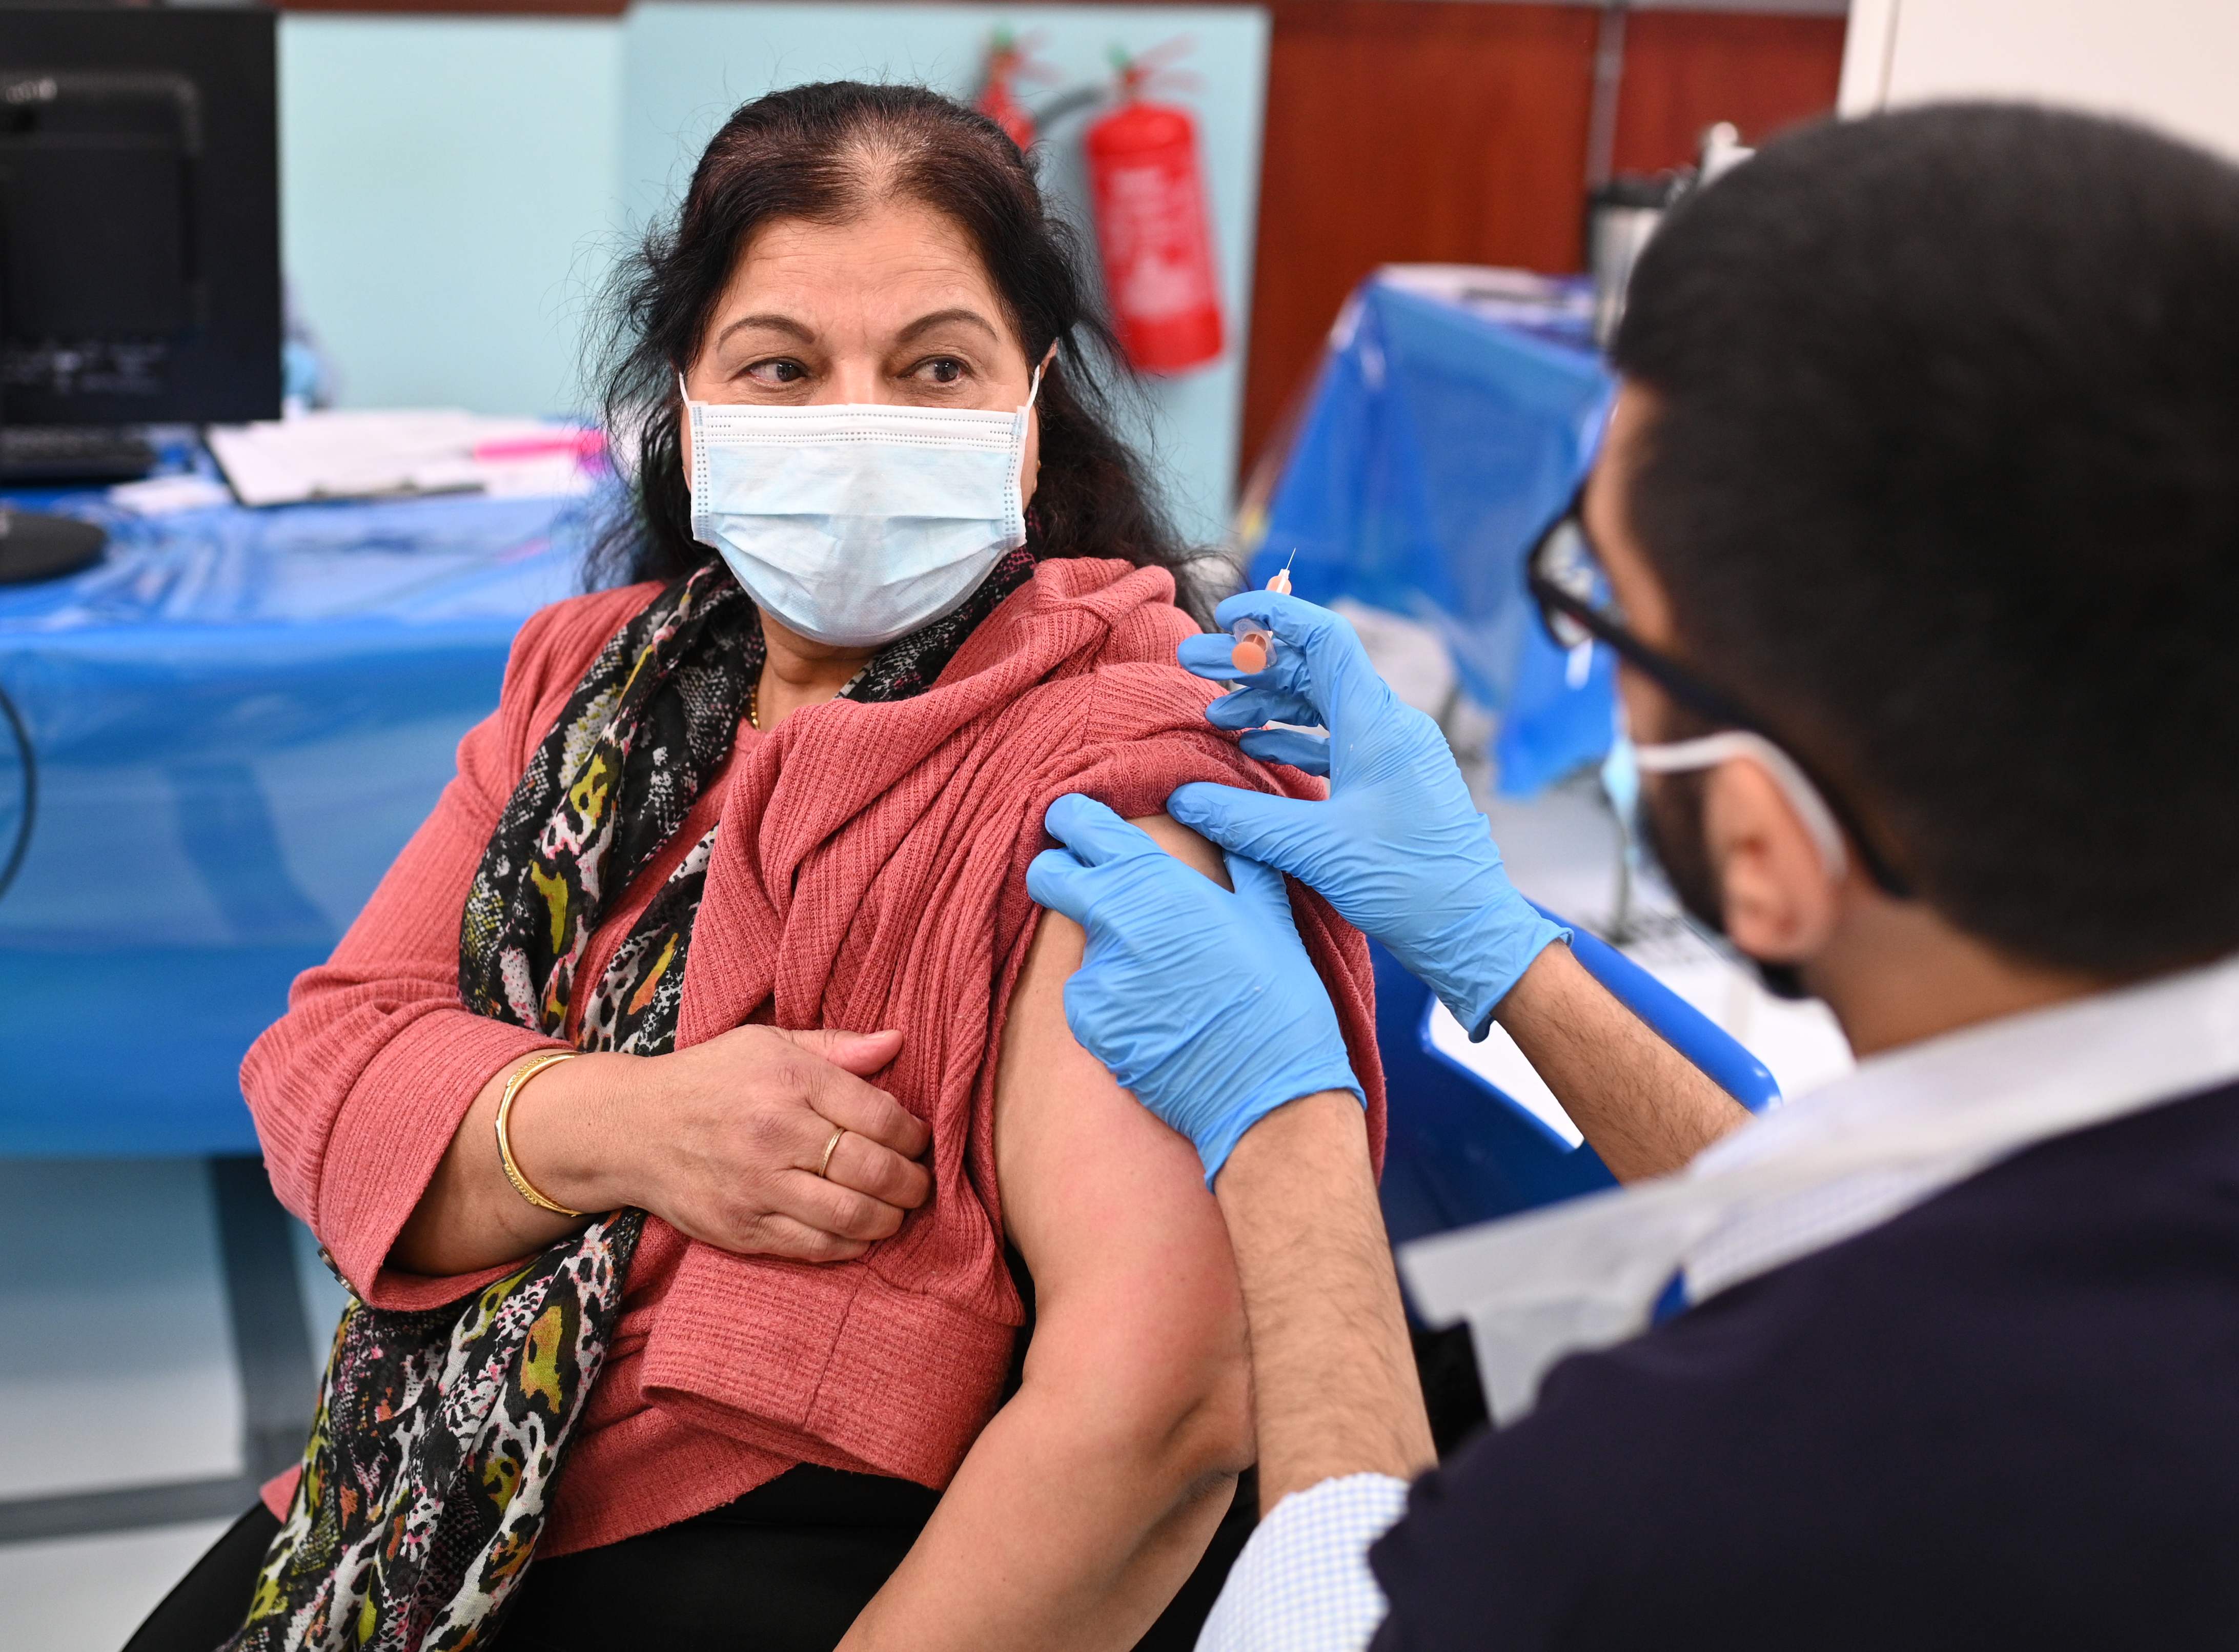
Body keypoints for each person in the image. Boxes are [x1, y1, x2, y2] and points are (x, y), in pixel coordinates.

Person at [1028, 103, 2239, 1647]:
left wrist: (1291, 1139)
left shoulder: (1663, 1529)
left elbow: (1348, 1622)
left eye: (1607, 601)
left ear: (1768, 837)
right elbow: (1881, 1231)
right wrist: (1500, 948)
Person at [127, 83, 1385, 1651]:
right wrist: (643, 1127)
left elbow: (1159, 1409)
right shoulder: (595, 690)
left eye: (935, 368)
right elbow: (325, 1077)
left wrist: (506, 1121)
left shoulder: (1110, 780)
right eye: (783, 368)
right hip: (455, 1448)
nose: (859, 425)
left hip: (835, 1528)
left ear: (1031, 403)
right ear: (689, 405)